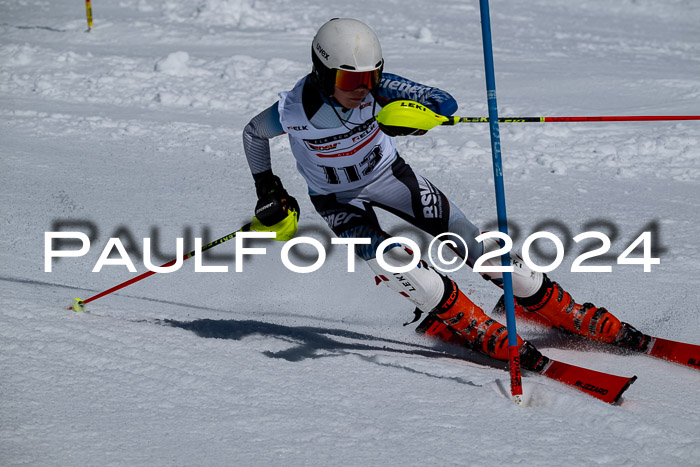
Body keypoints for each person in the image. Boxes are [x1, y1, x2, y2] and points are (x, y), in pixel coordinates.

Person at [242, 18, 650, 369]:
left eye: (372, 76)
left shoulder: (379, 90)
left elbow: (442, 100)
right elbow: (253, 134)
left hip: (391, 176)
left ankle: (565, 311)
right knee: (391, 260)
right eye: (352, 80)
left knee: (474, 245)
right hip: (336, 199)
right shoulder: (293, 110)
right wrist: (267, 185)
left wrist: (418, 117)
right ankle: (472, 325)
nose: (364, 88)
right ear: (322, 72)